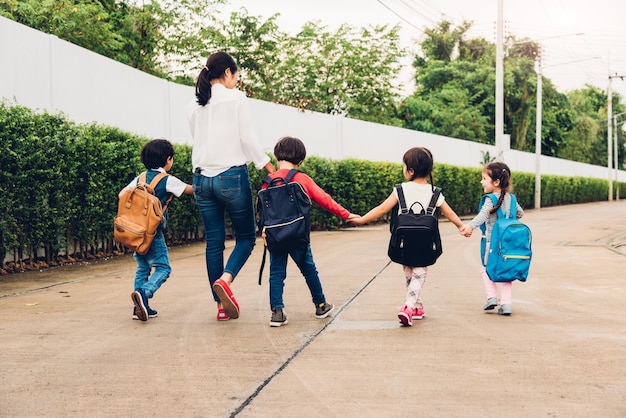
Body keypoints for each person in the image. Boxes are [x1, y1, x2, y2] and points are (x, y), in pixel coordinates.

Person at [188, 51, 275, 321]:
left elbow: (198, 139)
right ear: (227, 73)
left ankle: (220, 307)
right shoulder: (236, 98)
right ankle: (225, 280)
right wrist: (267, 166)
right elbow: (248, 138)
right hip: (231, 177)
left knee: (214, 241)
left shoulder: (196, 104)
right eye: (236, 76)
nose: (236, 81)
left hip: (202, 179)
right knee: (246, 237)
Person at [350, 147, 465, 327]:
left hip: (403, 241)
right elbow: (449, 213)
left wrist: (362, 219)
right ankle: (410, 307)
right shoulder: (434, 192)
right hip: (425, 241)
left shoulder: (400, 189)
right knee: (419, 274)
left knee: (410, 273)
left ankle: (414, 306)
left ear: (410, 170)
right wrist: (461, 226)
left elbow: (382, 209)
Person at [262, 136, 359, 327]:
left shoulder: (268, 182)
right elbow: (324, 199)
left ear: (276, 156)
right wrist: (346, 214)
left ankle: (277, 312)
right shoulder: (301, 179)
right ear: (300, 160)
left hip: (275, 235)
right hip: (298, 235)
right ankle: (321, 304)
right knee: (308, 269)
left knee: (276, 272)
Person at [123, 139, 193, 322]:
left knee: (143, 267)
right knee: (163, 267)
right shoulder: (167, 180)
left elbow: (122, 194)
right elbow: (190, 190)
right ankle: (144, 294)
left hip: (136, 233)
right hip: (153, 233)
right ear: (168, 159)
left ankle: (138, 306)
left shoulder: (140, 178)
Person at [460, 162, 524, 316]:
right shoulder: (512, 199)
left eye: (484, 179)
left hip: (491, 243)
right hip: (508, 244)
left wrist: (470, 226)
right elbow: (520, 214)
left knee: (487, 268)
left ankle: (491, 298)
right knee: (507, 272)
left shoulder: (490, 199)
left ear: (496, 182)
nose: (481, 181)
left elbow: (483, 215)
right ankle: (506, 305)